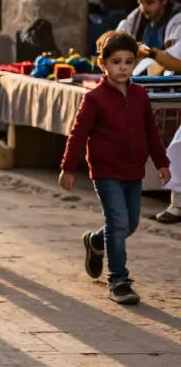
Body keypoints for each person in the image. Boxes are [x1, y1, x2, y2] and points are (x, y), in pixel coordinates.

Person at [60, 31, 170, 305]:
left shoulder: (141, 95)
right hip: (106, 171)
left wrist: (162, 162)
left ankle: (96, 242)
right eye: (116, 61)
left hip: (133, 171)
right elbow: (78, 134)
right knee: (117, 222)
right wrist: (68, 167)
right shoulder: (95, 98)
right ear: (103, 64)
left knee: (130, 223)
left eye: (129, 61)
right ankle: (118, 280)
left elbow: (152, 133)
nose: (123, 67)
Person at [116, 0, 181, 224]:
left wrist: (152, 53)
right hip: (145, 78)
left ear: (164, 1)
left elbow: (176, 61)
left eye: (150, 2)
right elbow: (118, 37)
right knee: (177, 144)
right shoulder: (137, 17)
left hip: (170, 80)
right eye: (142, 2)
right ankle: (177, 205)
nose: (145, 7)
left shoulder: (177, 19)